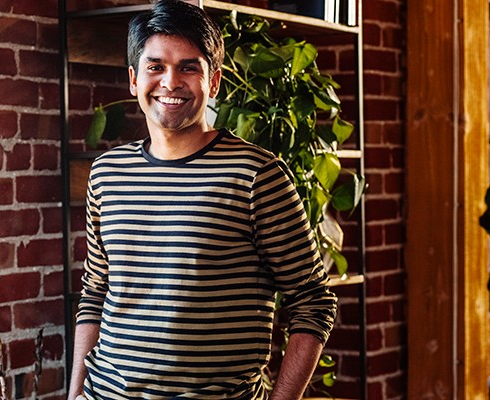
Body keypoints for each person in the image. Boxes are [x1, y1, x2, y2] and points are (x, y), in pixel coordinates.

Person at [67, 1, 337, 398]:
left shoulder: (256, 174)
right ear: (133, 78)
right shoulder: (108, 172)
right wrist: (74, 394)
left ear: (214, 82)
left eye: (188, 67)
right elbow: (95, 291)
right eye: (155, 66)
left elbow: (312, 301)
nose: (170, 82)